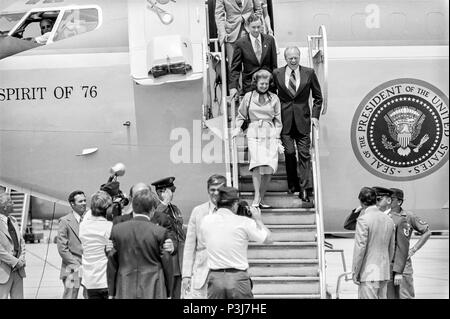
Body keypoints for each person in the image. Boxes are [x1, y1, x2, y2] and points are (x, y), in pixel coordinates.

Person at [201, 186, 272, 299]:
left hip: (215, 277)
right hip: (237, 278)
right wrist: (258, 220)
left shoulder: (205, 221)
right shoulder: (244, 222)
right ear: (234, 204)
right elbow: (268, 239)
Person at [272, 46, 323, 202]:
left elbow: (318, 97)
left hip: (303, 120)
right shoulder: (277, 73)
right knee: (289, 153)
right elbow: (272, 95)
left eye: (296, 58)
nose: (293, 61)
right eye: (290, 58)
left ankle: (305, 189)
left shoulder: (309, 72)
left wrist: (315, 116)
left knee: (304, 155)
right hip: (284, 121)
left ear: (299, 57)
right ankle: (292, 183)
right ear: (285, 59)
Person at [107, 188, 174, 299]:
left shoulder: (117, 230)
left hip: (124, 286)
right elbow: (167, 264)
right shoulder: (160, 232)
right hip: (154, 288)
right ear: (152, 209)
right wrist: (169, 292)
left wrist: (111, 292)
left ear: (133, 207)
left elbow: (112, 263)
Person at [232, 69, 283, 208]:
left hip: (270, 133)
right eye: (261, 84)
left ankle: (262, 197)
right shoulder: (248, 97)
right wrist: (237, 128)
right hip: (254, 132)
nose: (264, 86)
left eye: (266, 84)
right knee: (256, 165)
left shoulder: (274, 98)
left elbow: (278, 120)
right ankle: (256, 197)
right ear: (256, 83)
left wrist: (278, 137)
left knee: (269, 166)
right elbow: (241, 115)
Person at [182, 174, 227, 299]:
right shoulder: (198, 211)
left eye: (219, 189)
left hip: (226, 273)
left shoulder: (233, 211)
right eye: (212, 190)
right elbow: (190, 245)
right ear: (208, 190)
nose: (216, 193)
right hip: (201, 273)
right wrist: (186, 275)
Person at [352, 187, 395, 299]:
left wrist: (356, 271)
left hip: (369, 271)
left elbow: (360, 248)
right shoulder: (389, 220)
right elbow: (391, 248)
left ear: (361, 202)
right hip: (383, 271)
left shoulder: (363, 220)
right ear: (376, 200)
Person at [389, 188, 431, 299]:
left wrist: (413, 249)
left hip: (403, 264)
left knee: (405, 295)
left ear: (399, 201)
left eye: (391, 199)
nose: (388, 201)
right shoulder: (384, 215)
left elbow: (426, 232)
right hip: (387, 263)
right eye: (387, 198)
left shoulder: (408, 216)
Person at [151, 176, 185, 299]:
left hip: (179, 261)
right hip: (165, 261)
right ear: (161, 192)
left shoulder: (174, 208)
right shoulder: (155, 209)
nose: (172, 193)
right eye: (170, 190)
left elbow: (180, 232)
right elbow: (153, 220)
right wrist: (164, 202)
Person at [229, 13, 277, 98]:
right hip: (250, 87)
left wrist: (276, 84)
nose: (256, 30)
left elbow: (274, 66)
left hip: (268, 86)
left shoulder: (270, 40)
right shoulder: (240, 43)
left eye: (259, 27)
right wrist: (233, 87)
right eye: (253, 27)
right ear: (247, 27)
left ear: (262, 26)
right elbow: (235, 68)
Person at [79, 190, 113, 299]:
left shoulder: (83, 226)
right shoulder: (109, 227)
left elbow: (90, 213)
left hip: (90, 281)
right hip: (106, 280)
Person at [56, 190, 87, 299]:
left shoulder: (89, 219)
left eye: (85, 200)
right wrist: (76, 265)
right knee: (70, 295)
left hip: (89, 266)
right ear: (72, 204)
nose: (84, 203)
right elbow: (62, 248)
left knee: (90, 295)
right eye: (80, 201)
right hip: (72, 267)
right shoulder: (64, 221)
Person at [215, 0, 262, 69]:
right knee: (233, 66)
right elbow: (219, 15)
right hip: (231, 33)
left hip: (250, 31)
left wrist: (254, 24)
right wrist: (222, 32)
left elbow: (258, 10)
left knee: (253, 64)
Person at [0, 193, 26, 299]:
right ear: (3, 206)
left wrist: (21, 259)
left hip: (18, 271)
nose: (13, 203)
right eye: (10, 201)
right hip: (3, 271)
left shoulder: (13, 220)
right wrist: (15, 262)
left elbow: (22, 242)